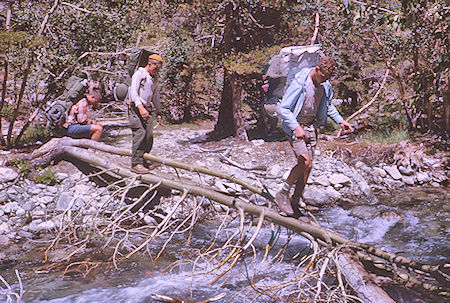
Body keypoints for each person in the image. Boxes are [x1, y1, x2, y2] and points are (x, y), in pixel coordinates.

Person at [275, 56, 354, 217]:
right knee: (304, 161)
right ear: (317, 69)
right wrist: (296, 127)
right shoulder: (300, 82)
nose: (324, 80)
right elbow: (283, 109)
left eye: (327, 78)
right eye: (323, 76)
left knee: (308, 166)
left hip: (311, 127)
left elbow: (328, 105)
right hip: (295, 126)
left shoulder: (325, 85)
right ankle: (283, 193)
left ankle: (295, 201)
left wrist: (341, 121)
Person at [128, 53, 164, 174]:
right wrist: (140, 107)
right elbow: (133, 92)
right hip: (136, 108)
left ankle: (144, 159)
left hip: (147, 109)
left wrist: (159, 112)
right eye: (156, 67)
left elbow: (155, 96)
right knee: (140, 133)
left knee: (148, 136)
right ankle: (135, 163)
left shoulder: (154, 78)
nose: (157, 70)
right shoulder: (139, 74)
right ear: (150, 64)